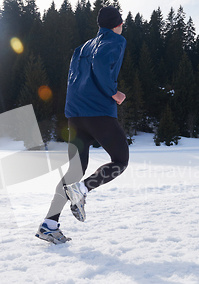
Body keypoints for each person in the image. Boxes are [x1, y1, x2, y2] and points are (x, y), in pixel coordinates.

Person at [36, 6, 129, 244]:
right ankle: (83, 190)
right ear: (116, 24)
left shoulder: (81, 48)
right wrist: (114, 93)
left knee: (75, 170)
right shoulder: (115, 42)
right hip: (98, 113)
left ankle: (49, 224)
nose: (122, 27)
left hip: (75, 115)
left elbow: (75, 78)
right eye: (121, 23)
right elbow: (100, 67)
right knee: (120, 160)